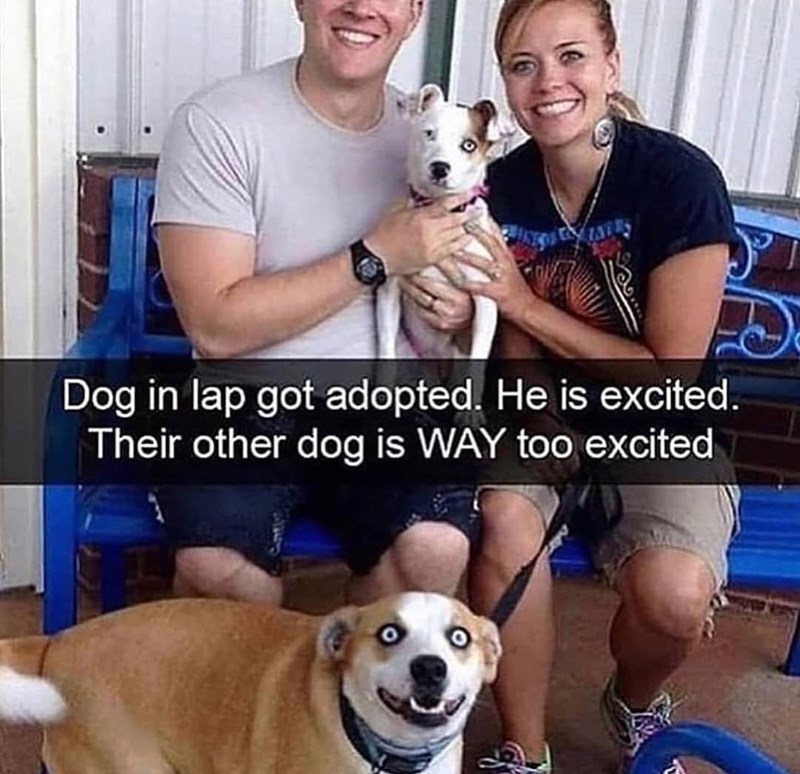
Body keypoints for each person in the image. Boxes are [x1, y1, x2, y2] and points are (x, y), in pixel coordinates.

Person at [415, 0, 741, 772]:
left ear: (611, 65)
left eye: (571, 57)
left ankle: (631, 702)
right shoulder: (502, 184)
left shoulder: (676, 179)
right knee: (502, 518)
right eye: (523, 65)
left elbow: (671, 372)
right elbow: (508, 329)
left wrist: (521, 300)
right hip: (547, 418)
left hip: (666, 426)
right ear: (505, 85)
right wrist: (535, 404)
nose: (548, 82)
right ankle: (526, 749)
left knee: (674, 598)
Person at [150, 0, 479, 611]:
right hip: (242, 399)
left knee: (434, 548)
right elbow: (214, 327)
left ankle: (340, 691)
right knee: (218, 570)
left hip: (385, 402)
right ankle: (258, 686)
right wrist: (374, 256)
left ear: (414, 14)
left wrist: (459, 313)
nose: (361, 7)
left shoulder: (433, 138)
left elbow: (470, 284)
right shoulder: (218, 122)